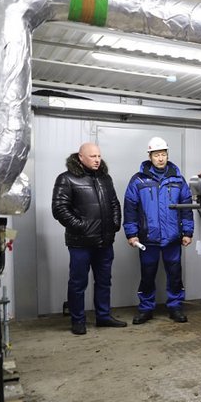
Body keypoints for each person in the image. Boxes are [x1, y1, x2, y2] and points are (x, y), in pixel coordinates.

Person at [52, 142, 126, 335]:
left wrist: (114, 224)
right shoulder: (66, 179)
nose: (97, 160)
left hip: (105, 242)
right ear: (80, 157)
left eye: (99, 156)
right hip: (80, 244)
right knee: (78, 283)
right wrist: (82, 227)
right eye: (93, 156)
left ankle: (103, 317)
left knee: (104, 281)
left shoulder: (105, 178)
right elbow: (59, 209)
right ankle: (78, 321)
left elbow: (114, 203)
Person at [123, 137, 194, 324]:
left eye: (163, 154)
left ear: (167, 155)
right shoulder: (138, 180)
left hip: (172, 238)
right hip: (148, 238)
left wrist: (187, 232)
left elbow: (186, 208)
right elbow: (130, 209)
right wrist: (131, 234)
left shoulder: (178, 179)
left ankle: (175, 307)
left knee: (175, 275)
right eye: (156, 155)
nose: (160, 158)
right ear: (150, 156)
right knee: (147, 275)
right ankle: (146, 309)